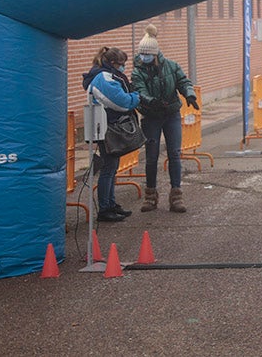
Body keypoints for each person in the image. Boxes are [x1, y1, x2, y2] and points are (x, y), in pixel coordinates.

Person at [131, 24, 198, 213]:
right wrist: (152, 102)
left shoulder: (171, 66)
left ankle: (176, 195)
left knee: (174, 153)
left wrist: (189, 94)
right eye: (142, 55)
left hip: (171, 115)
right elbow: (139, 90)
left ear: (155, 54)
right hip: (151, 116)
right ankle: (150, 196)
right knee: (151, 157)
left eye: (148, 55)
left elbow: (183, 81)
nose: (144, 58)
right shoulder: (138, 71)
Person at [82, 47, 140, 223]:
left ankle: (111, 204)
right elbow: (121, 102)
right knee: (108, 169)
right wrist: (136, 97)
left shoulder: (103, 75)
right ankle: (105, 209)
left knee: (112, 169)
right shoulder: (103, 78)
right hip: (106, 128)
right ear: (113, 63)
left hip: (107, 126)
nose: (123, 68)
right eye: (121, 65)